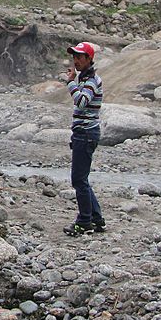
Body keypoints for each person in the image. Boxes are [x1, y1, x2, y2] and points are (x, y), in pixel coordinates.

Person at [63, 41, 105, 236]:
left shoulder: (91, 80)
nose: (76, 60)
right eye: (75, 57)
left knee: (78, 180)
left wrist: (70, 83)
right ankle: (97, 219)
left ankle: (84, 221)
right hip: (85, 133)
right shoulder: (85, 78)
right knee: (83, 179)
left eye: (80, 57)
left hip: (85, 134)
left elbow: (81, 102)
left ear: (89, 59)